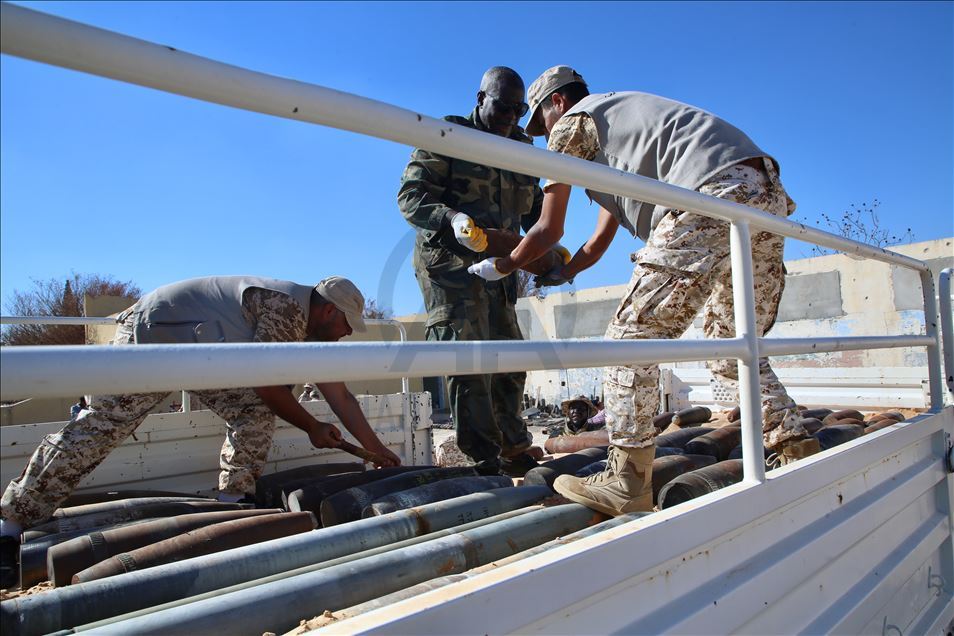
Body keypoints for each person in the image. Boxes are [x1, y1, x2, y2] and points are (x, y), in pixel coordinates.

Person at [468, 66, 815, 516]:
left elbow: (548, 227)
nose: (543, 134)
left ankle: (627, 480)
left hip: (710, 192)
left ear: (557, 102)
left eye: (541, 122)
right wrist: (566, 273)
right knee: (732, 344)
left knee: (630, 340)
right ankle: (791, 442)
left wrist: (507, 265)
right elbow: (594, 244)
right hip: (762, 192)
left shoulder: (575, 122)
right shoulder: (621, 141)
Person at [0, 275, 401, 537]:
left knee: (252, 413)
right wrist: (312, 427)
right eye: (346, 324)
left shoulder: (311, 332)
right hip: (154, 338)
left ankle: (233, 502)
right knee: (102, 427)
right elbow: (267, 384)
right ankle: (15, 518)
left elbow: (341, 397)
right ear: (328, 310)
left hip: (205, 353)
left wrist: (377, 449)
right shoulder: (286, 310)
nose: (347, 333)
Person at [397, 66, 545, 477]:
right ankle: (483, 457)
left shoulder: (522, 149)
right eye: (503, 106)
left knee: (510, 356)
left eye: (520, 109)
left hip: (499, 267)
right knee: (470, 358)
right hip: (451, 269)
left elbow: (537, 213)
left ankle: (513, 445)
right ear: (480, 98)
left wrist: (545, 253)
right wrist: (452, 218)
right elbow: (410, 196)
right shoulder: (449, 137)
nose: (511, 117)